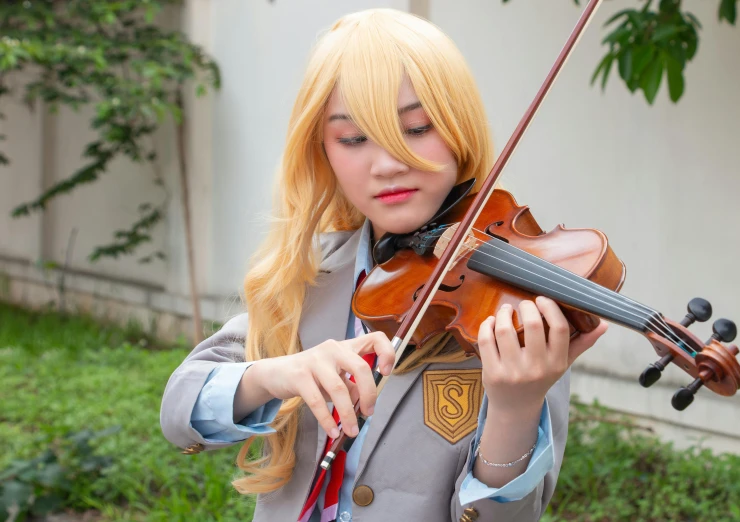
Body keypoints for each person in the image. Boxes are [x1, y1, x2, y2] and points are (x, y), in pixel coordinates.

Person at [160, 7, 608, 522]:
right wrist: (274, 374)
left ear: (461, 132)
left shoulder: (512, 305)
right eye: (353, 139)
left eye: (416, 128)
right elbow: (180, 413)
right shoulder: (308, 278)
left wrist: (515, 409)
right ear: (322, 150)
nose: (389, 163)